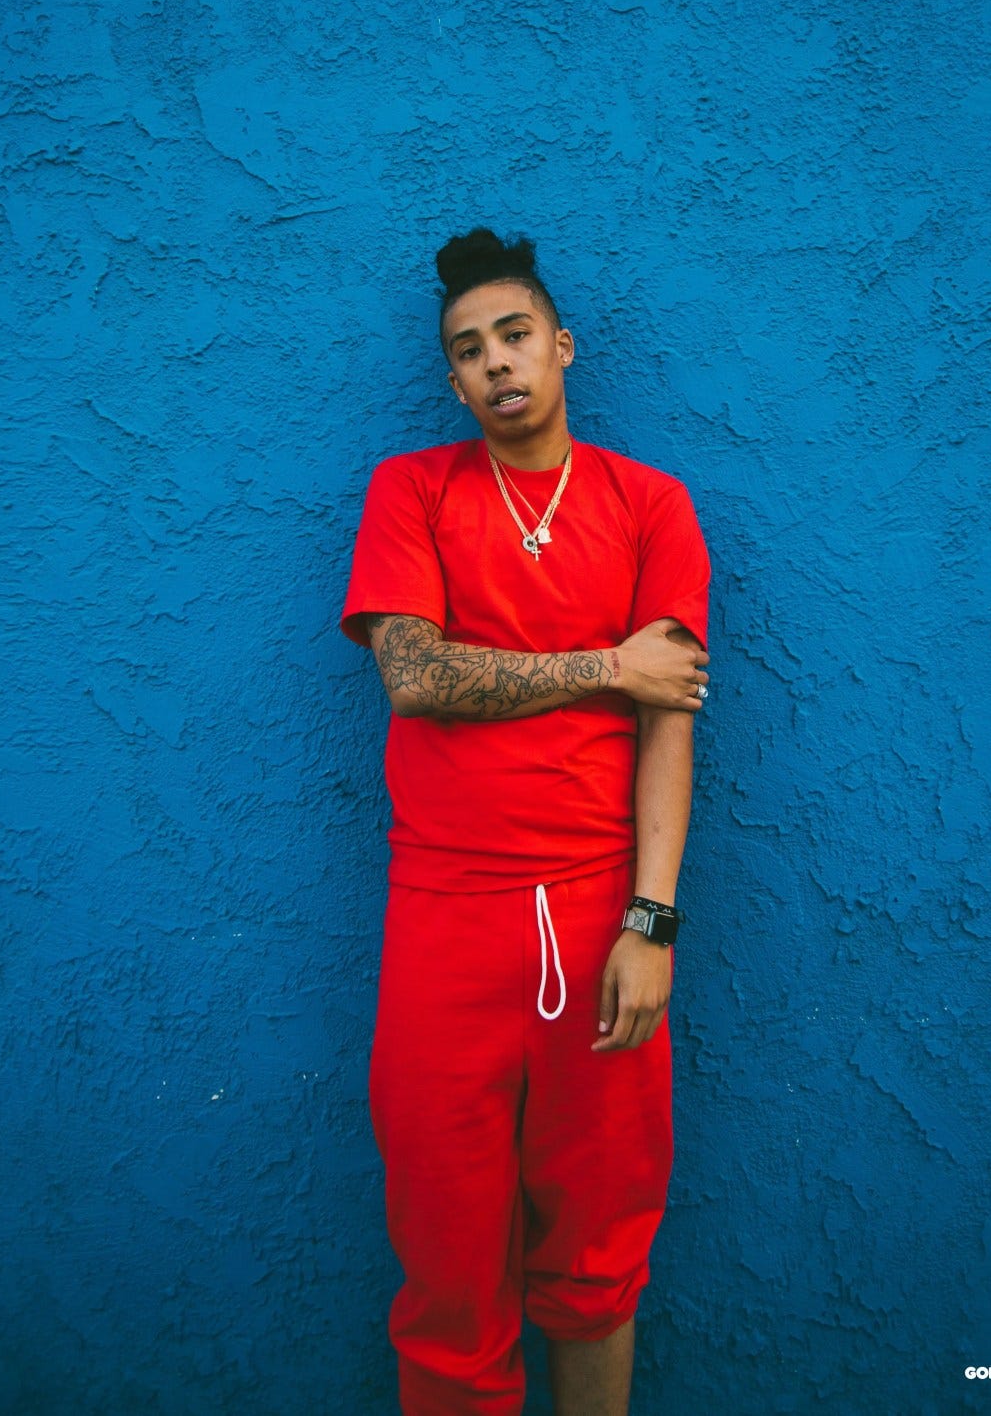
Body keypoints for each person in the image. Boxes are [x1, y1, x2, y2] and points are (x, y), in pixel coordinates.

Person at [340, 228, 710, 1416]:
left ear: (561, 347)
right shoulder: (412, 491)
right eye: (467, 350)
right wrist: (606, 664)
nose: (494, 361)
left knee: (598, 1249)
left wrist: (650, 923)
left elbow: (668, 722)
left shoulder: (648, 504)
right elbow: (414, 676)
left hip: (599, 914)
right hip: (445, 920)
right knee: (447, 1259)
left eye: (512, 335)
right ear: (453, 383)